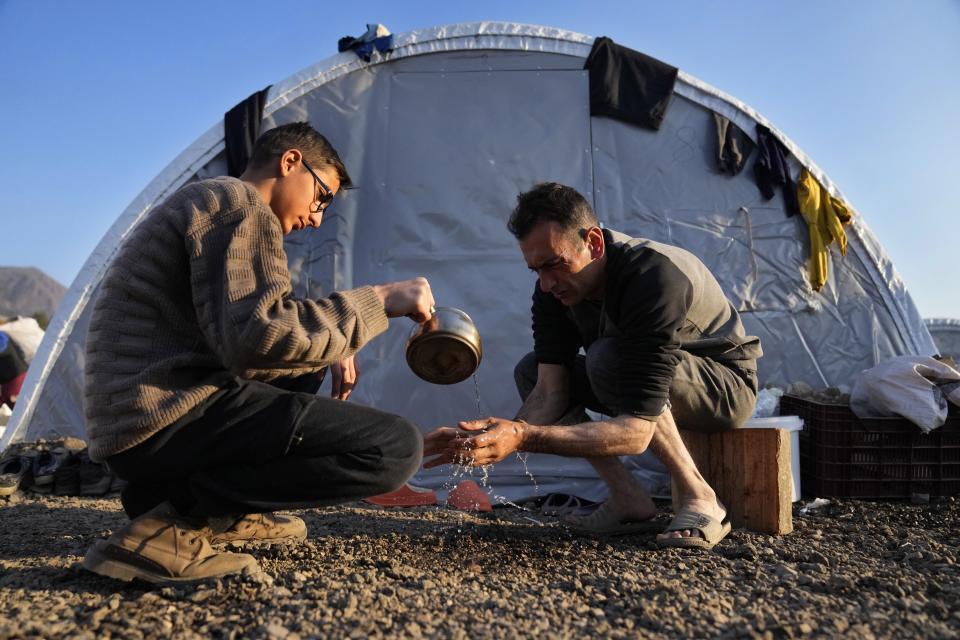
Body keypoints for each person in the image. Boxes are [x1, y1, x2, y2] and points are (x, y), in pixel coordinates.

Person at [81, 122, 433, 583]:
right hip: (161, 419)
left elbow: (248, 329)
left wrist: (328, 347)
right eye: (322, 195)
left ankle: (181, 502)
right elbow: (257, 339)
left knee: (303, 370)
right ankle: (179, 520)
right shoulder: (239, 204)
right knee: (396, 448)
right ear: (290, 162)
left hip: (141, 423)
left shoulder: (213, 201)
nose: (317, 217)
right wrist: (381, 299)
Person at [424, 183, 761, 549]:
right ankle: (627, 497)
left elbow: (636, 433)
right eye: (535, 269)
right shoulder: (552, 289)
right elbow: (549, 391)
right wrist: (494, 435)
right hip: (643, 374)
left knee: (608, 357)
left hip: (725, 388)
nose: (547, 282)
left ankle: (701, 496)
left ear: (594, 244)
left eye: (554, 264)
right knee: (531, 370)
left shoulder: (652, 276)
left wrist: (524, 437)